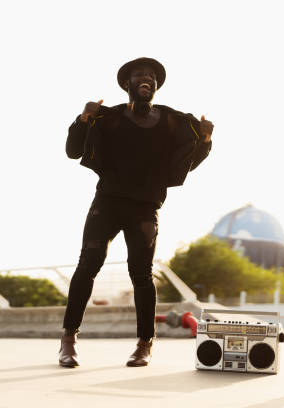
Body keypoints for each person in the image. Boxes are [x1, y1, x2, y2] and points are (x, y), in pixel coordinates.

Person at [60, 57, 214, 368]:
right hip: (108, 201)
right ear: (126, 84)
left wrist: (206, 141)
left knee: (141, 274)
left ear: (156, 86)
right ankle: (68, 339)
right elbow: (73, 150)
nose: (147, 78)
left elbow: (185, 163)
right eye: (139, 75)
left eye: (152, 76)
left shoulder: (172, 122)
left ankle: (145, 344)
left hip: (145, 207)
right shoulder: (110, 118)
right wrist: (83, 118)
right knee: (88, 264)